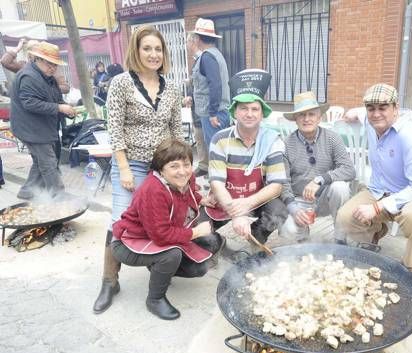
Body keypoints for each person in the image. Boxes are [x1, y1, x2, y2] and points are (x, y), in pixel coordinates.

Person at [92, 25, 185, 314]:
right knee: (119, 219)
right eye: (147, 48)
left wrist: (179, 166)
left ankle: (158, 275)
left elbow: (175, 130)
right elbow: (115, 128)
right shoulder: (120, 83)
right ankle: (109, 281)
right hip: (129, 162)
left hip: (162, 165)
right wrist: (124, 168)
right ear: (136, 50)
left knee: (162, 218)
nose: (153, 54)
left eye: (158, 49)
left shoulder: (172, 86)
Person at [111, 138, 223, 320]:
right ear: (161, 168)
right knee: (172, 256)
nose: (182, 171)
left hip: (153, 234)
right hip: (129, 242)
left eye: (186, 164)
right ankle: (155, 299)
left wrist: (203, 200)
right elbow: (162, 235)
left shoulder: (187, 177)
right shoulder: (153, 190)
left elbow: (190, 193)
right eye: (174, 166)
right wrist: (196, 232)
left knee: (212, 243)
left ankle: (157, 267)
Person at [336, 83, 412, 273]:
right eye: (371, 109)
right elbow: (361, 113)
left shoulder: (411, 136)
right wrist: (352, 112)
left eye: (383, 108)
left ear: (395, 108)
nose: (376, 114)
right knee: (344, 218)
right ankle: (376, 231)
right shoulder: (370, 121)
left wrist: (376, 208)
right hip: (379, 190)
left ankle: (411, 263)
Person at [206, 69, 287, 244]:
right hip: (225, 198)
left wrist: (247, 204)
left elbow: (276, 186)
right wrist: (236, 212)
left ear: (262, 114)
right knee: (204, 233)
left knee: (278, 211)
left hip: (256, 199)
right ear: (234, 112)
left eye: (254, 109)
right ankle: (218, 245)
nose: (249, 114)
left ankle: (256, 238)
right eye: (243, 108)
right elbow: (216, 182)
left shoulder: (272, 141)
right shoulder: (219, 139)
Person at [279, 91, 355, 241]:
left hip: (326, 198)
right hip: (299, 199)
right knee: (288, 230)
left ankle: (340, 239)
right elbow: (283, 182)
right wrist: (293, 209)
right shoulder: (286, 144)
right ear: (295, 119)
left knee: (340, 187)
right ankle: (303, 242)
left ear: (319, 117)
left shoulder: (332, 138)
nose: (307, 119)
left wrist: (320, 179)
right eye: (302, 115)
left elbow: (349, 169)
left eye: (311, 114)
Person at [10, 41, 76, 200]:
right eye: (49, 63)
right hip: (31, 129)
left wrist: (66, 108)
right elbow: (30, 103)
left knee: (40, 162)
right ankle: (59, 196)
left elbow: (55, 99)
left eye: (55, 64)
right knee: (48, 162)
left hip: (41, 127)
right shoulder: (28, 76)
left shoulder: (47, 77)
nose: (53, 68)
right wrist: (59, 108)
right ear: (37, 59)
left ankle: (27, 191)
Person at [186, 18, 231, 174]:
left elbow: (215, 85)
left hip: (213, 113)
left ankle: (217, 185)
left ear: (198, 38)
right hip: (218, 111)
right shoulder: (215, 54)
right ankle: (221, 183)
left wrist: (212, 112)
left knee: (216, 151)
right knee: (221, 149)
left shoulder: (207, 57)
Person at [1, 38, 70, 94]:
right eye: (30, 51)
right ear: (28, 54)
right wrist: (18, 48)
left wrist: (45, 88)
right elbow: (5, 61)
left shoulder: (52, 67)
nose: (32, 55)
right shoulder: (24, 66)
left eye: (36, 52)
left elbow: (65, 88)